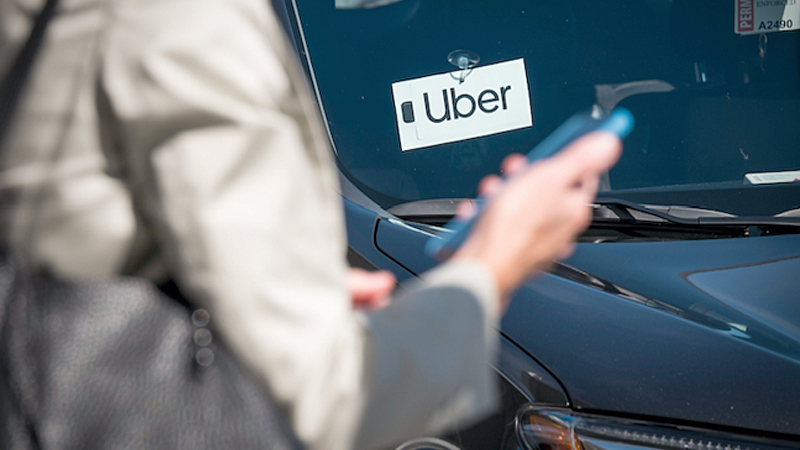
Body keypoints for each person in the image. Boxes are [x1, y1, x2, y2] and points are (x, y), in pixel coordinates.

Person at [0, 0, 621, 449]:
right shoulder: (179, 24)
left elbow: (98, 228)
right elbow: (336, 405)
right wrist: (492, 264)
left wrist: (269, 293)